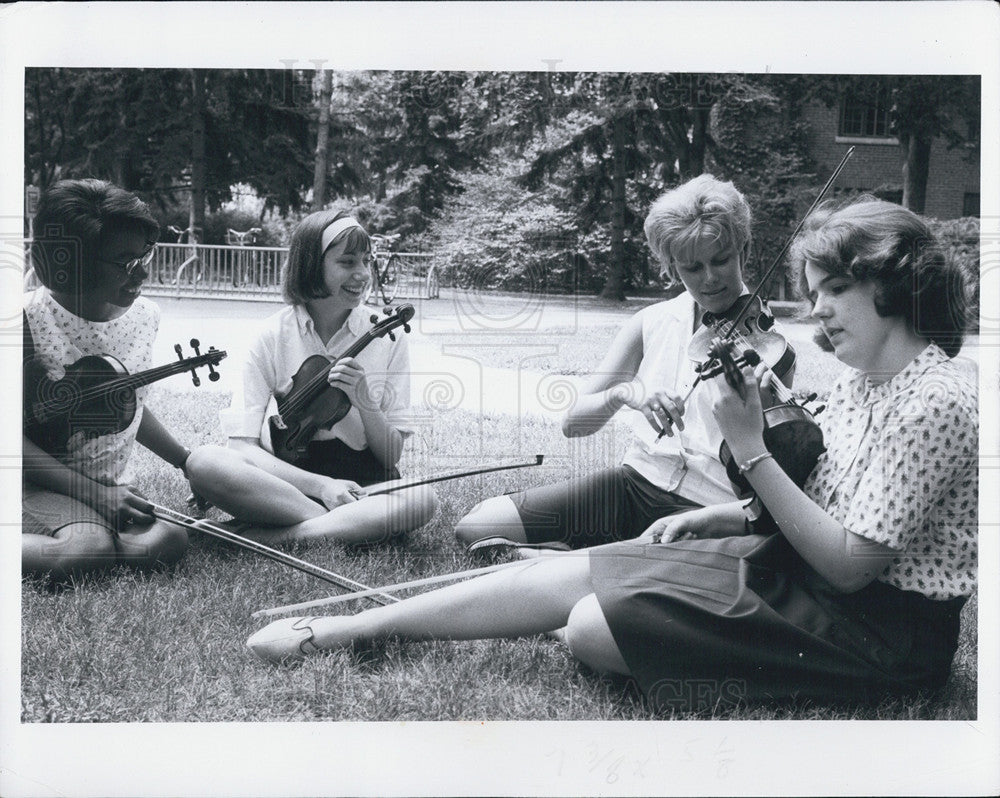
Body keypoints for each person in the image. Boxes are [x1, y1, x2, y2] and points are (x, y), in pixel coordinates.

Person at [248, 198, 976, 712]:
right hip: (774, 552)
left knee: (591, 628)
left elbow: (851, 569)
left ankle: (612, 599)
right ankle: (347, 630)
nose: (816, 312)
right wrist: (724, 514)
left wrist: (749, 448)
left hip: (879, 631)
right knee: (579, 573)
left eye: (835, 291)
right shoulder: (866, 382)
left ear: (893, 279)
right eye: (815, 293)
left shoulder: (934, 399)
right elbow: (823, 498)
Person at [455, 174, 793, 554]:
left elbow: (769, 480)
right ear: (671, 267)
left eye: (721, 260)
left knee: (624, 569)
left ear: (743, 253)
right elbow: (573, 423)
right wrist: (625, 393)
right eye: (692, 268)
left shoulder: (769, 347)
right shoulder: (650, 323)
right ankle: (575, 559)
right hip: (635, 481)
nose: (710, 279)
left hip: (706, 508)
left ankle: (566, 561)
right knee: (476, 526)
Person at [185, 210, 436, 545]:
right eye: (347, 262)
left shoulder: (388, 335)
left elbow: (390, 456)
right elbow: (242, 446)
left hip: (363, 482)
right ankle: (343, 527)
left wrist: (365, 401)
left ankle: (268, 538)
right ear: (311, 264)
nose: (362, 274)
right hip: (287, 482)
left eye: (366, 261)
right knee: (203, 462)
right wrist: (321, 486)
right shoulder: (271, 335)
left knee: (422, 500)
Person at [22, 179, 190, 580]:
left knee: (165, 542)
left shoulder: (145, 316)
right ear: (71, 261)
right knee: (85, 552)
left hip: (108, 484)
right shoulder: (23, 321)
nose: (144, 272)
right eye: (126, 262)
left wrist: (185, 461)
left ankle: (92, 531)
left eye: (146, 255)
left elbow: (120, 405)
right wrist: (94, 495)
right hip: (32, 485)